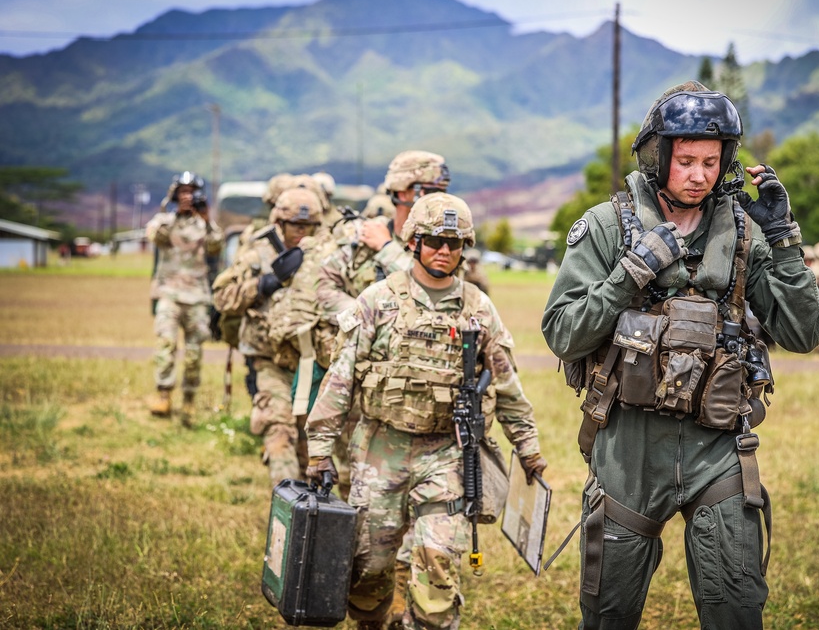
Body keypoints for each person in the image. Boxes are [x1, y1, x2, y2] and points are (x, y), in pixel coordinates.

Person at [541, 81, 819, 629]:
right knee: (608, 615)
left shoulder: (744, 235)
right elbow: (562, 333)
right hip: (628, 453)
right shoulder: (607, 227)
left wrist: (784, 238)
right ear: (658, 156)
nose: (699, 174)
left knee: (737, 608)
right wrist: (630, 276)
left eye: (712, 161)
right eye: (687, 160)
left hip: (716, 447)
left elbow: (803, 331)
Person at [305, 193, 547, 630]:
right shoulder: (378, 300)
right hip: (382, 449)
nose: (444, 251)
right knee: (368, 568)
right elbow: (340, 380)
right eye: (435, 241)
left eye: (455, 244)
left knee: (438, 563)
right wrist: (320, 451)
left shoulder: (478, 309)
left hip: (447, 455)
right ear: (413, 241)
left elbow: (507, 387)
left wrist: (528, 449)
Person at [213, 186, 324, 486]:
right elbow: (222, 298)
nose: (303, 233)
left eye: (310, 226)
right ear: (279, 222)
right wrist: (263, 285)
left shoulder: (325, 256)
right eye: (296, 226)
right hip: (269, 361)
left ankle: (312, 516)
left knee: (312, 446)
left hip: (313, 366)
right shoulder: (256, 253)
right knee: (278, 430)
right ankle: (288, 504)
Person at [145, 171, 223, 427]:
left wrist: (206, 219)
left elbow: (215, 247)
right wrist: (172, 211)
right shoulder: (164, 220)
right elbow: (155, 237)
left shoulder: (205, 224)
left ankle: (189, 399)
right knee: (166, 344)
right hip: (169, 292)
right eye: (182, 192)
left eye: (192, 191)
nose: (187, 196)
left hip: (197, 296)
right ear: (175, 194)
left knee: (193, 352)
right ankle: (163, 393)